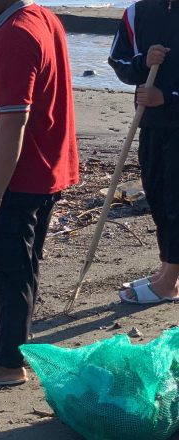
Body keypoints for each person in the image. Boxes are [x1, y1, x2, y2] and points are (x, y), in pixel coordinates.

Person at [0, 0, 79, 386]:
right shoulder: (40, 16)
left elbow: (13, 119)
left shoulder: (15, 35)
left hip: (15, 177)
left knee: (7, 268)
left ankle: (8, 365)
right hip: (43, 169)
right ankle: (16, 341)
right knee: (23, 263)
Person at [109, 0, 179, 305]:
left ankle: (170, 281)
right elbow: (117, 60)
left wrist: (168, 98)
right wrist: (142, 63)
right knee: (158, 194)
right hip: (150, 123)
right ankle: (168, 267)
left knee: (178, 200)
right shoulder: (138, 12)